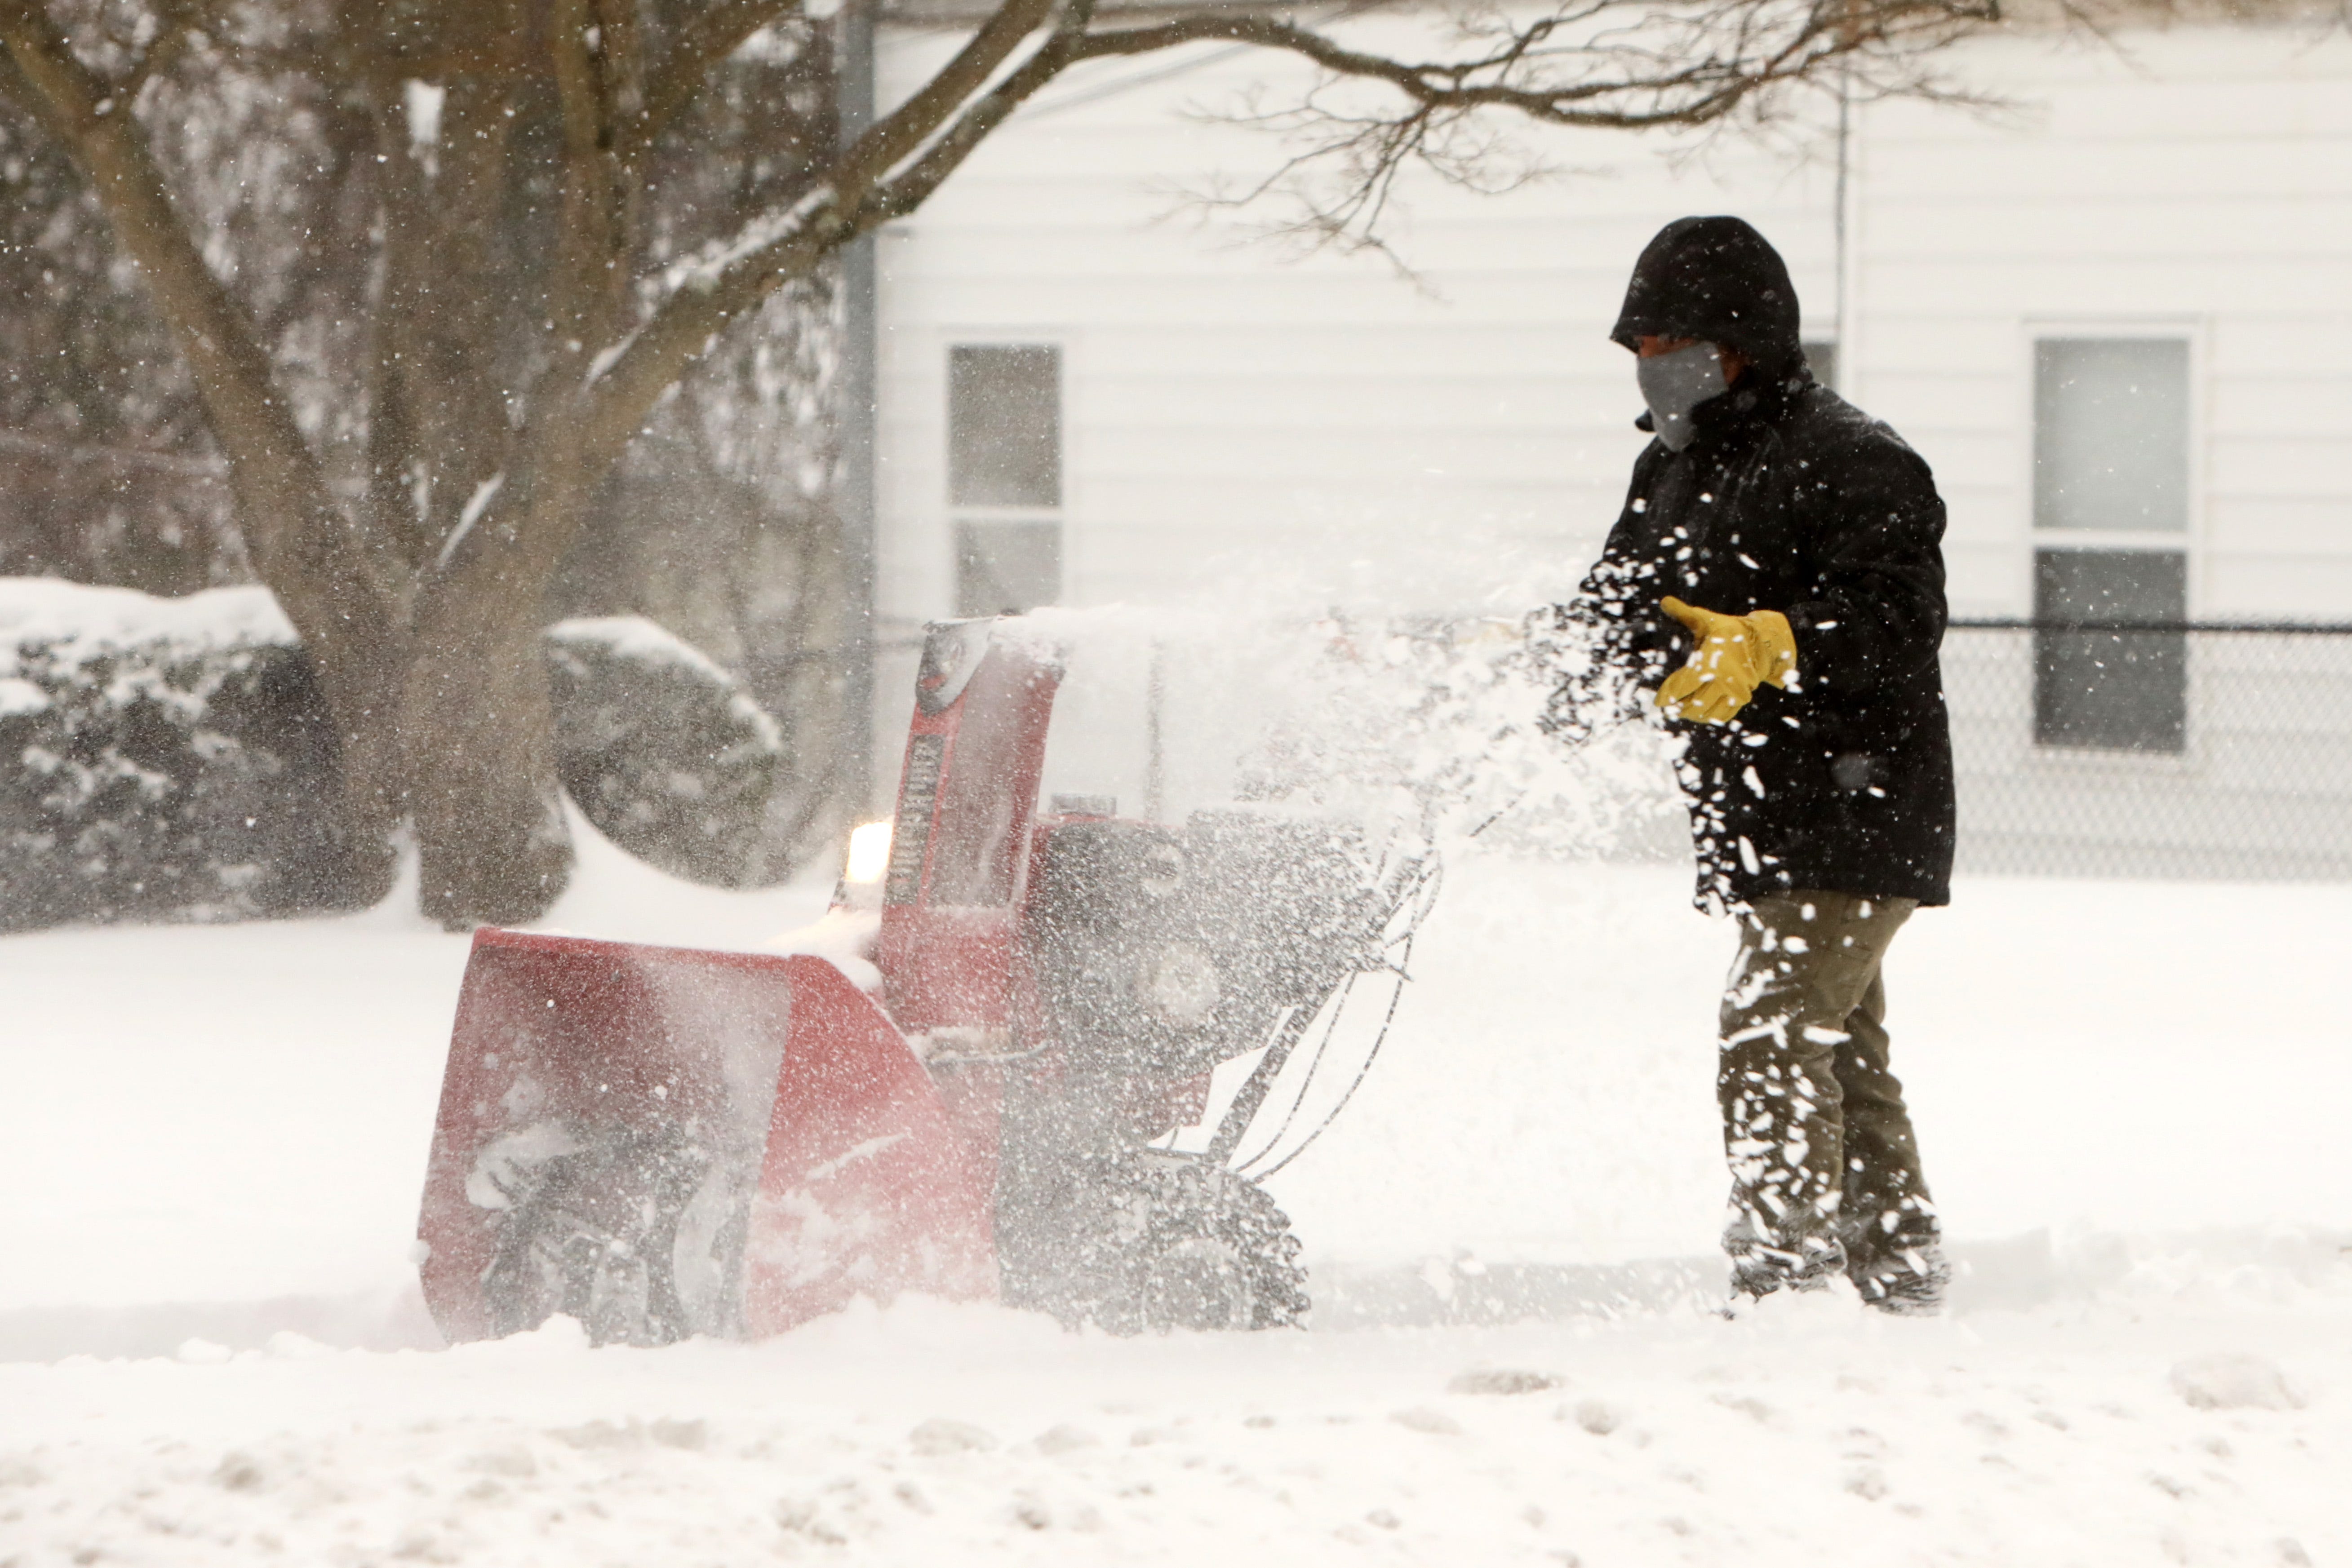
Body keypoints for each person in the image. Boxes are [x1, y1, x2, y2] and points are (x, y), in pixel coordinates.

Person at [1536, 215, 1957, 1314]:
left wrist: (1775, 641)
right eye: (1639, 345)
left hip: (1856, 799)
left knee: (1771, 1031)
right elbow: (1621, 605)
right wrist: (1546, 675)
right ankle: (1898, 1271)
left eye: (1674, 343)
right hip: (1760, 809)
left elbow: (1896, 623)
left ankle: (1787, 1284)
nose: (1651, 366)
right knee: (1840, 1052)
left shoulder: (1857, 458)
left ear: (1744, 347)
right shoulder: (1671, 465)